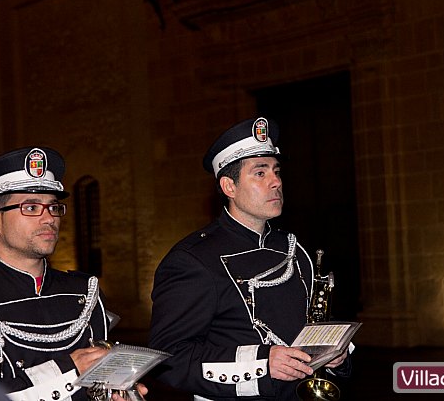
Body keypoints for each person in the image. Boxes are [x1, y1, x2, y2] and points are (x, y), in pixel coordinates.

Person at [149, 117, 350, 400]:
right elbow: (169, 359)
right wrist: (261, 363)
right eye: (260, 173)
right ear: (229, 187)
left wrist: (332, 355)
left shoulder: (293, 247)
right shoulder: (192, 260)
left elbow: (309, 326)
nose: (276, 182)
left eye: (276, 171)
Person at [0, 147, 147, 401]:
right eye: (31, 208)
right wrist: (68, 368)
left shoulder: (85, 290)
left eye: (53, 208)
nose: (48, 218)